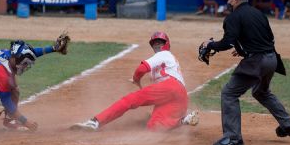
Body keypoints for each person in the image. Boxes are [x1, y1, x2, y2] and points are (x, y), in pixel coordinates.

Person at [200, 0, 290, 145]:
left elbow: (227, 42)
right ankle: (287, 125)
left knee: (229, 93)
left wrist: (211, 44)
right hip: (272, 59)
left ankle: (233, 138)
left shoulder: (233, 17)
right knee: (261, 92)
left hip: (257, 61)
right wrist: (243, 50)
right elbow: (268, 38)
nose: (228, 1)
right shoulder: (258, 14)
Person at [71, 31, 199, 132]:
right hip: (181, 97)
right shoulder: (169, 61)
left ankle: (95, 122)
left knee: (130, 100)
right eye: (155, 43)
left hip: (171, 87)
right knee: (154, 126)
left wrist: (136, 80)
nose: (157, 45)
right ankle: (184, 120)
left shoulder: (164, 54)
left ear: (166, 44)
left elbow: (141, 69)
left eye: (160, 41)